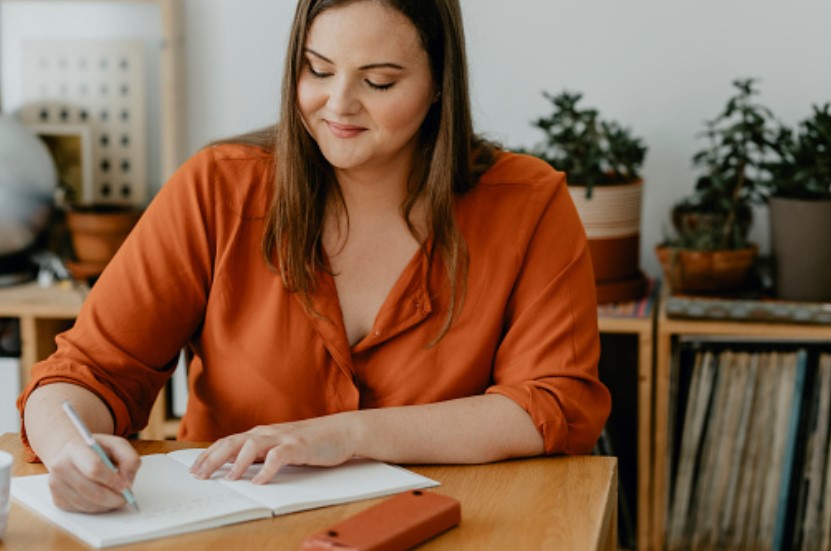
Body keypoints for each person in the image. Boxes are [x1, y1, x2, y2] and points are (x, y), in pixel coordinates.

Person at [19, 0, 611, 513]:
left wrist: (346, 434)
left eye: (379, 82)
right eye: (318, 69)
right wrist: (72, 451)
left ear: (439, 84)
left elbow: (552, 403)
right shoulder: (219, 188)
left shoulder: (528, 203)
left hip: (448, 525)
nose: (338, 104)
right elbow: (86, 373)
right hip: (233, 526)